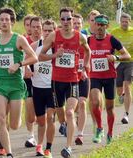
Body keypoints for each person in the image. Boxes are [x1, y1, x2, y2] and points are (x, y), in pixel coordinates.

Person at [0, 7, 38, 158]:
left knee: (13, 124)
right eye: (2, 20)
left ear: (12, 22)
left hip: (15, 84)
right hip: (0, 83)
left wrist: (19, 64)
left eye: (7, 19)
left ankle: (17, 119)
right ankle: (9, 153)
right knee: (0, 118)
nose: (4, 22)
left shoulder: (19, 39)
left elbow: (34, 57)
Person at [39, 7, 91, 158]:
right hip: (56, 81)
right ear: (60, 20)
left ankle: (68, 147)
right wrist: (55, 54)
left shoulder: (79, 36)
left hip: (73, 81)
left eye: (69, 19)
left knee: (69, 112)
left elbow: (87, 51)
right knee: (61, 116)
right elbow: (41, 56)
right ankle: (65, 125)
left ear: (72, 19)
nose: (66, 22)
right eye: (63, 19)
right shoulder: (54, 36)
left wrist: (84, 67)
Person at [89, 14, 131, 144]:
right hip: (95, 76)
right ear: (94, 25)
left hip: (109, 77)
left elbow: (127, 55)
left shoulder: (112, 40)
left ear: (107, 26)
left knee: (109, 108)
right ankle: (100, 128)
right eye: (98, 24)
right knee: (95, 102)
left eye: (103, 25)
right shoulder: (89, 40)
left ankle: (110, 132)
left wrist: (116, 58)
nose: (100, 27)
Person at [30, 19, 57, 158]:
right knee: (41, 121)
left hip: (52, 88)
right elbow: (26, 60)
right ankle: (39, 145)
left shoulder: (58, 47)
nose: (46, 33)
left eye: (49, 30)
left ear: (54, 31)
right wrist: (27, 71)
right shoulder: (35, 46)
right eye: (44, 30)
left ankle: (48, 148)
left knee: (50, 117)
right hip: (38, 88)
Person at [24, 16, 43, 148]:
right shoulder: (24, 42)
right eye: (33, 27)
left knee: (43, 114)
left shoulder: (47, 42)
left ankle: (41, 140)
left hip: (44, 81)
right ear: (29, 27)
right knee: (30, 113)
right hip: (29, 80)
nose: (36, 30)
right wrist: (25, 68)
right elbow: (20, 58)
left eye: (38, 27)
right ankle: (31, 136)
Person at [111, 12, 133, 124]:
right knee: (119, 90)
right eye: (122, 22)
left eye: (126, 21)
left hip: (130, 62)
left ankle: (126, 114)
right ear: (120, 22)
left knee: (127, 86)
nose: (124, 23)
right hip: (118, 63)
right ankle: (122, 95)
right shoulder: (114, 32)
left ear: (130, 21)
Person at [73, 13, 90, 145]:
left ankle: (80, 134)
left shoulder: (85, 38)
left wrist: (84, 68)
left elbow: (89, 54)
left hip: (83, 75)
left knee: (83, 103)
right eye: (74, 23)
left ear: (82, 25)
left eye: (79, 23)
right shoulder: (63, 38)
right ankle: (70, 123)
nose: (77, 25)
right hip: (69, 77)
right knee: (73, 106)